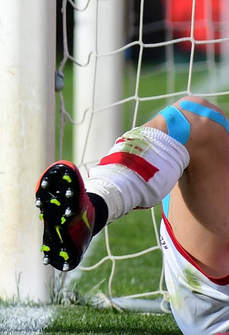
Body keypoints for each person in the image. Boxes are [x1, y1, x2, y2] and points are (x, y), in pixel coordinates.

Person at [37, 97, 229, 335]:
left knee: (194, 118)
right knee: (195, 122)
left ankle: (96, 206)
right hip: (217, 303)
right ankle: (90, 212)